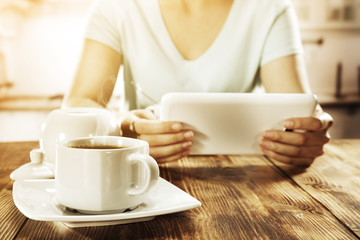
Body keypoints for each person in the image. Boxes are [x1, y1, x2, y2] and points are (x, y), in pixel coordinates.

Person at [62, 0, 333, 167]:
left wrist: (306, 135)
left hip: (245, 175)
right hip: (141, 170)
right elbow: (78, 103)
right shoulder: (115, 7)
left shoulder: (270, 8)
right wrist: (123, 126)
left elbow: (296, 115)